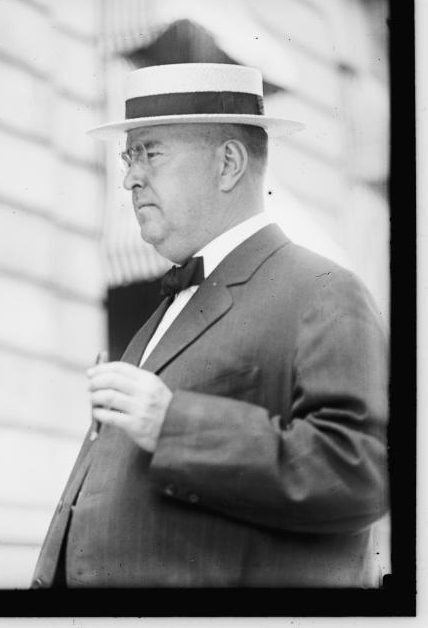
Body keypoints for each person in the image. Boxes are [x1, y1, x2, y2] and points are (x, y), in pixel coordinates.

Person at [31, 63, 388, 587]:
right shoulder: (166, 308)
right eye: (129, 156)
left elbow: (363, 472)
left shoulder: (325, 289)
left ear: (228, 163)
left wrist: (175, 424)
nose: (129, 176)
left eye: (150, 152)